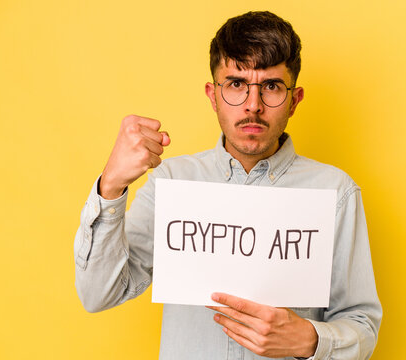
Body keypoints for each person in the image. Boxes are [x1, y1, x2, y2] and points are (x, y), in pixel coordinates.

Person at [74, 11, 382, 360]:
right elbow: (98, 294)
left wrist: (310, 339)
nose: (253, 105)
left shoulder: (335, 193)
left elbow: (363, 324)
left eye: (271, 86)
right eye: (236, 84)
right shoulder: (173, 183)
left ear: (294, 100)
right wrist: (111, 186)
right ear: (213, 95)